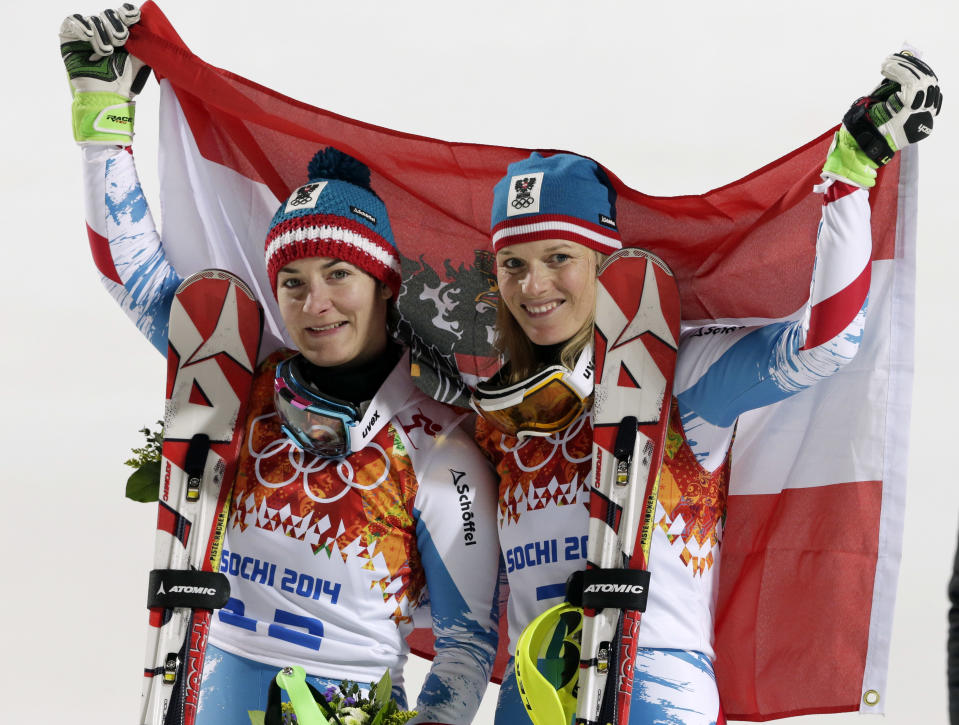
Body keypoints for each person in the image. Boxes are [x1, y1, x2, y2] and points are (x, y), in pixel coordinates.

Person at [60, 7, 499, 725]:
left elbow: (463, 641)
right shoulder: (237, 375)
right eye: (292, 281)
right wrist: (100, 113)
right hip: (207, 683)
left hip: (352, 696)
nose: (315, 302)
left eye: (338, 275)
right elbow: (129, 272)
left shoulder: (439, 442)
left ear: (383, 285)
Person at [471, 55, 941, 724]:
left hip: (656, 689)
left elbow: (823, 343)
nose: (532, 285)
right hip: (528, 699)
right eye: (512, 264)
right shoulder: (496, 418)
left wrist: (851, 170)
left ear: (607, 262)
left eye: (557, 259)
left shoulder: (678, 379)